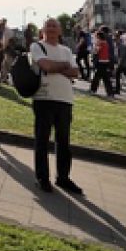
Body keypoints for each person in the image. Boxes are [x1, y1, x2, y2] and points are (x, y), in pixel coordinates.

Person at [29, 18, 82, 195]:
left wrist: (55, 67)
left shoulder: (66, 50)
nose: (51, 29)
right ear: (42, 30)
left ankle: (63, 178)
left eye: (54, 26)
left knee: (64, 141)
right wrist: (63, 67)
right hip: (44, 98)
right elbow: (45, 65)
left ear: (60, 31)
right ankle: (42, 178)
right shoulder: (37, 47)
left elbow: (75, 72)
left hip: (65, 100)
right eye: (48, 26)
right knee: (42, 139)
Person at [89, 29, 114, 98]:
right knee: (106, 78)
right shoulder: (105, 43)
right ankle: (110, 92)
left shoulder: (99, 42)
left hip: (100, 62)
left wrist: (93, 47)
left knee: (97, 77)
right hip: (106, 61)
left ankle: (93, 90)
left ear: (98, 36)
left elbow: (96, 51)